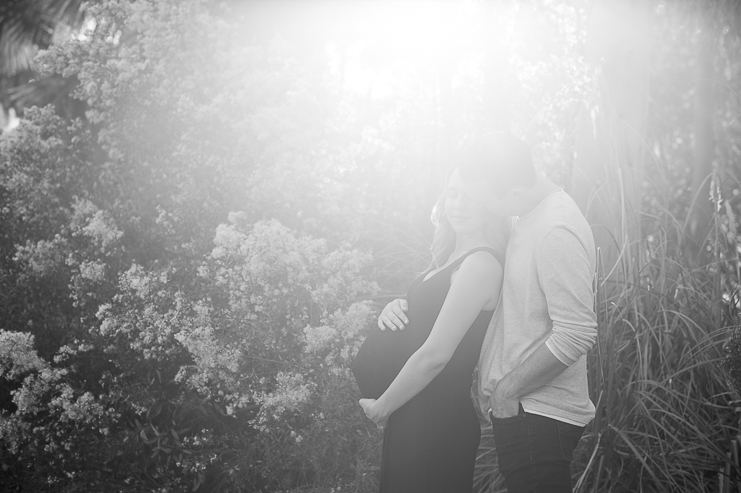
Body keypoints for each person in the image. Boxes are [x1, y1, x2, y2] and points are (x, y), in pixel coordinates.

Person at [460, 132, 598, 493]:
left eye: (486, 202)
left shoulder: (556, 230)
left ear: (515, 191)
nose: (484, 209)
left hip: (538, 415)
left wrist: (506, 391)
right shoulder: (528, 215)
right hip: (526, 412)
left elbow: (577, 332)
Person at [357, 166, 508, 493]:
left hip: (436, 421)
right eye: (453, 194)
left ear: (489, 203)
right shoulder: (449, 257)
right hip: (413, 412)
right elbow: (427, 319)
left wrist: (383, 406)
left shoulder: (481, 264)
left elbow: (436, 354)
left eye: (470, 196)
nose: (459, 204)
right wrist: (398, 305)